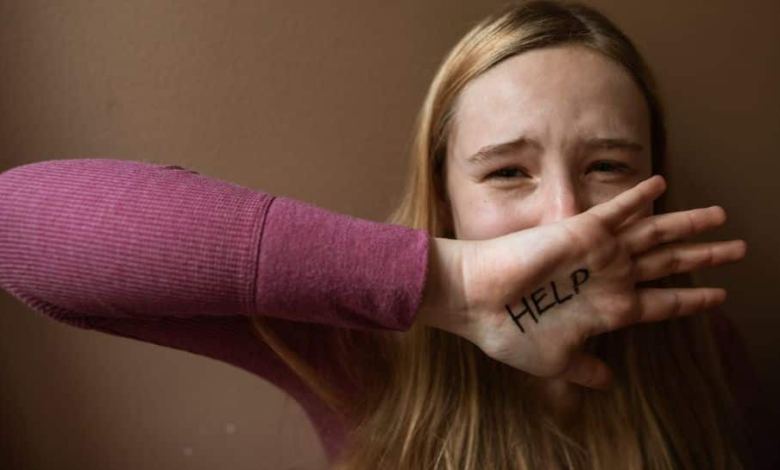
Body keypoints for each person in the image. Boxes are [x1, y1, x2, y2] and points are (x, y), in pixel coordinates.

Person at [0, 1, 771, 469]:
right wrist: (453, 287)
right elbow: (17, 224)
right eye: (508, 172)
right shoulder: (363, 355)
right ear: (444, 194)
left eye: (607, 166)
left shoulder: (704, 355)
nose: (564, 216)